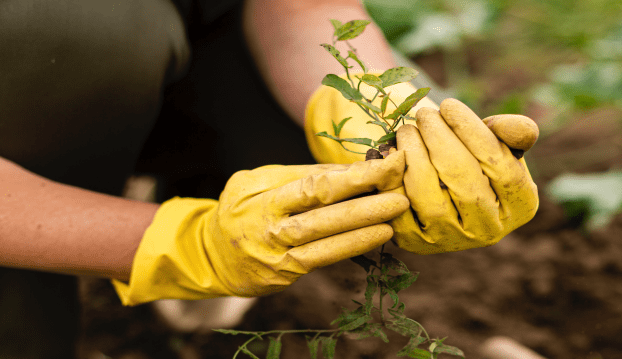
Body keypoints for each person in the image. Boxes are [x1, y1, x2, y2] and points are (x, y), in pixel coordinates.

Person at [0, 0, 539, 357]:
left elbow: (304, 5)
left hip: (182, 49)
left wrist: (376, 114)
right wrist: (182, 245)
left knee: (323, 111)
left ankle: (187, 276)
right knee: (79, 30)